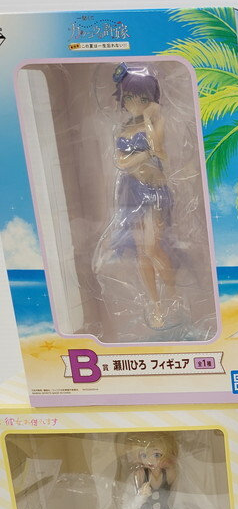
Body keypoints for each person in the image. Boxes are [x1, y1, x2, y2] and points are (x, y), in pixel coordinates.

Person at [97, 62, 177, 329]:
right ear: (122, 97)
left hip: (154, 190)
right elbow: (121, 162)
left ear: (151, 99)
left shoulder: (157, 121)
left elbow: (158, 147)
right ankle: (156, 305)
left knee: (153, 248)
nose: (135, 103)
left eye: (143, 98)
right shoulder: (122, 129)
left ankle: (172, 295)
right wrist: (144, 155)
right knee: (142, 252)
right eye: (130, 97)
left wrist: (150, 117)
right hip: (131, 191)